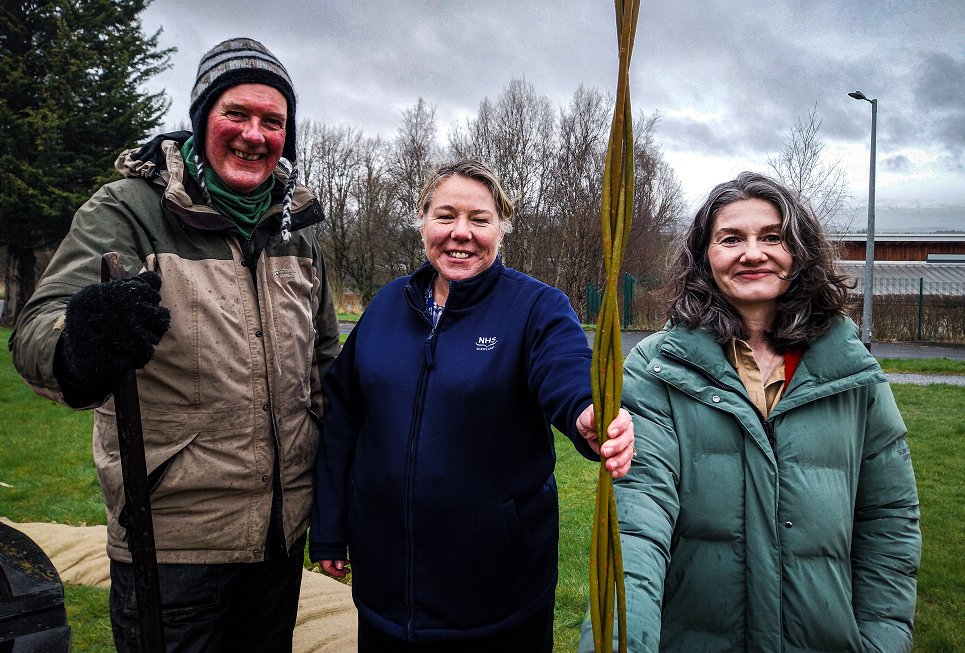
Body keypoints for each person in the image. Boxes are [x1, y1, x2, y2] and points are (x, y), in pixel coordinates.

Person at [9, 37, 340, 651]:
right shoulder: (130, 210)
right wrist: (80, 342)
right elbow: (36, 330)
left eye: (273, 121)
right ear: (200, 120)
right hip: (172, 541)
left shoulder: (296, 232)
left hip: (280, 536)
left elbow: (326, 368)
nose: (254, 134)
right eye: (235, 114)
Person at [579, 171, 921, 652]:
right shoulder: (657, 368)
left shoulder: (853, 372)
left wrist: (882, 640)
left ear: (798, 253)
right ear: (705, 257)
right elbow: (636, 524)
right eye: (731, 239)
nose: (753, 253)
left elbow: (889, 519)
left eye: (773, 237)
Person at [309, 158, 635, 652]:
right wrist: (331, 529)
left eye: (479, 220)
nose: (461, 233)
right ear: (422, 222)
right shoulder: (386, 306)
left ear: (502, 229)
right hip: (385, 593)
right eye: (445, 216)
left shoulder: (536, 307)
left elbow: (564, 368)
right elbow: (343, 418)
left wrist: (586, 409)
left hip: (498, 597)